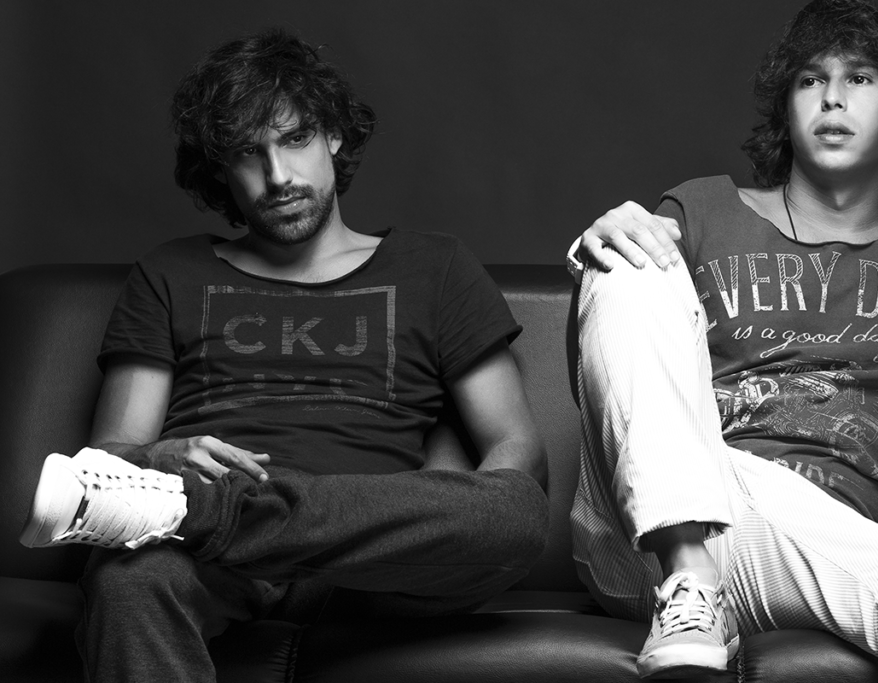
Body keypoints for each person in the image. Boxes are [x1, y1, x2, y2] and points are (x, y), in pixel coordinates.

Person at [18, 29, 548, 683]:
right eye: (248, 153)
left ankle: (214, 515)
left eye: (295, 139)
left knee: (515, 510)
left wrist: (424, 528)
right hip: (210, 565)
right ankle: (208, 515)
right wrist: (162, 458)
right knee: (127, 579)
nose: (278, 176)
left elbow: (518, 452)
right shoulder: (171, 273)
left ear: (334, 137)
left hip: (373, 560)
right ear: (220, 170)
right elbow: (109, 458)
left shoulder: (436, 266)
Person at [567, 1, 878, 680]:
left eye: (860, 77)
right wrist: (603, 242)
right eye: (811, 79)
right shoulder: (701, 209)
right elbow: (614, 370)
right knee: (627, 250)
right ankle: (691, 575)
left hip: (823, 554)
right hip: (649, 532)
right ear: (786, 108)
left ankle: (703, 588)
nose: (833, 97)